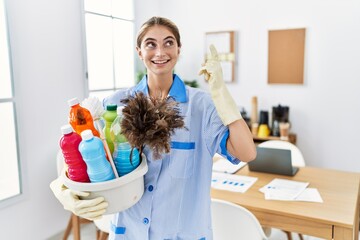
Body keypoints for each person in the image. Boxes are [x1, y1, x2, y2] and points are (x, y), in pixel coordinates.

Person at [50, 16, 256, 239]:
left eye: (168, 43)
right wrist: (61, 189)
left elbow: (247, 152)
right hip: (129, 232)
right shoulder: (117, 105)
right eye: (151, 44)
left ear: (178, 49)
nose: (160, 52)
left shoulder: (201, 106)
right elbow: (81, 153)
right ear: (139, 51)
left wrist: (221, 95)